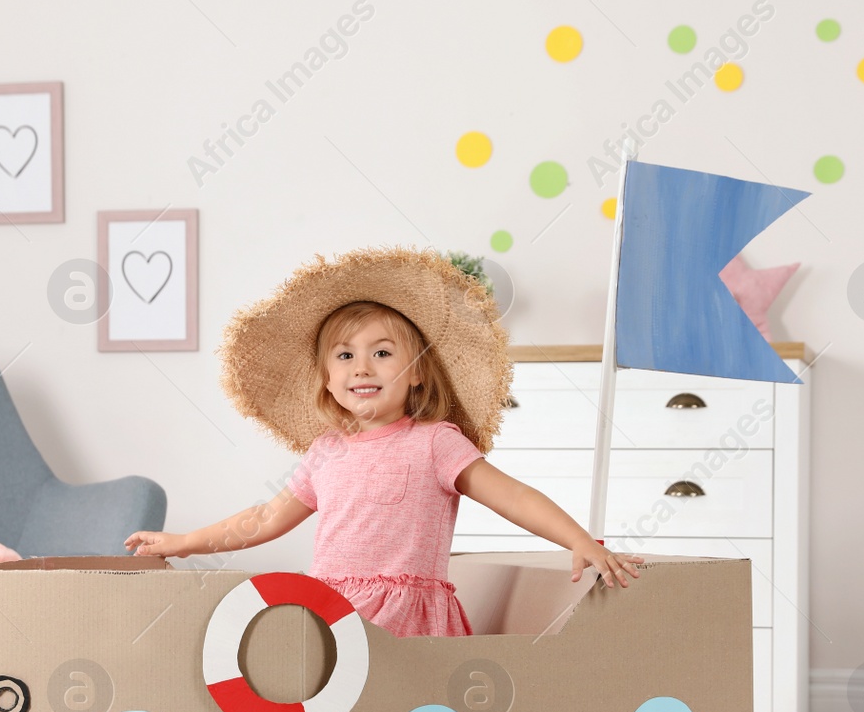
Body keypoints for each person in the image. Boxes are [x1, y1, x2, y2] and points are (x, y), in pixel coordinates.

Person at [125, 246, 641, 637]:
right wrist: (182, 543)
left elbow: (513, 496)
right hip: (330, 616)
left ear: (418, 373)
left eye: (383, 353)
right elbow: (263, 520)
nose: (363, 367)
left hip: (408, 623)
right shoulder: (326, 452)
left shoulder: (436, 442)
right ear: (326, 379)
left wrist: (578, 540)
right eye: (345, 356)